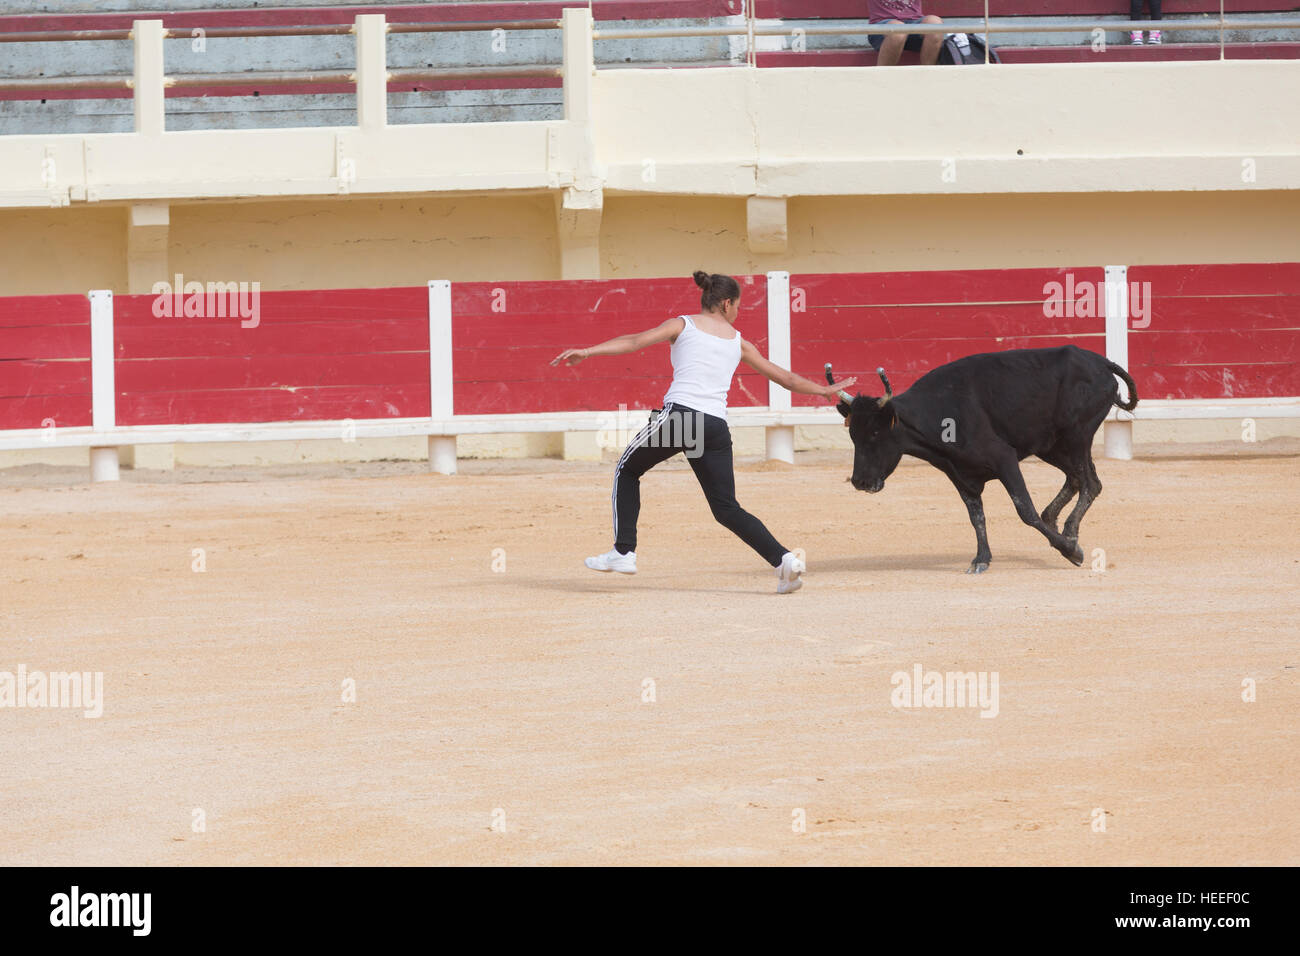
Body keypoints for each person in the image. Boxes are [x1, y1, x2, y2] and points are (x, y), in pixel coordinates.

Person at [550, 271, 857, 594]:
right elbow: (786, 379)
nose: (738, 312)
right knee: (726, 508)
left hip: (682, 419)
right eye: (737, 306)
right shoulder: (738, 341)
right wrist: (823, 392)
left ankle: (624, 552)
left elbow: (635, 342)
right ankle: (784, 561)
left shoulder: (682, 324)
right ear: (726, 303)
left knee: (627, 470)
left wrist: (587, 352)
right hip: (714, 428)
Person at [867, 0, 944, 67]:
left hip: (914, 21)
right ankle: (881, 76)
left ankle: (928, 75)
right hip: (883, 24)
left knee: (934, 22)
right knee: (898, 30)